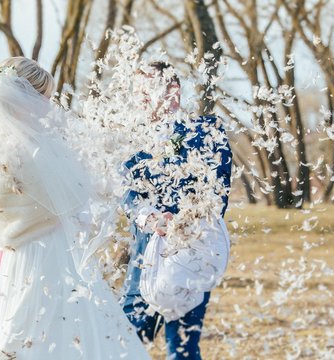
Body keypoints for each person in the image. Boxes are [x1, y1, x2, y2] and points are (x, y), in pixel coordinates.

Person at [0, 57, 150, 360]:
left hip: (17, 256)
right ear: (24, 99)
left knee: (25, 325)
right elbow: (77, 195)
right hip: (51, 252)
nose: (47, 106)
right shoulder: (35, 148)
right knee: (65, 321)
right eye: (43, 99)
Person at [121, 61, 232, 359]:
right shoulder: (130, 138)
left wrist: (183, 220)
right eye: (137, 91)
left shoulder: (209, 132)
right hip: (144, 258)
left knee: (182, 348)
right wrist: (150, 218)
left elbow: (217, 195)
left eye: (147, 90)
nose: (140, 98)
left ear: (174, 91)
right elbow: (126, 191)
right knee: (125, 342)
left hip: (190, 255)